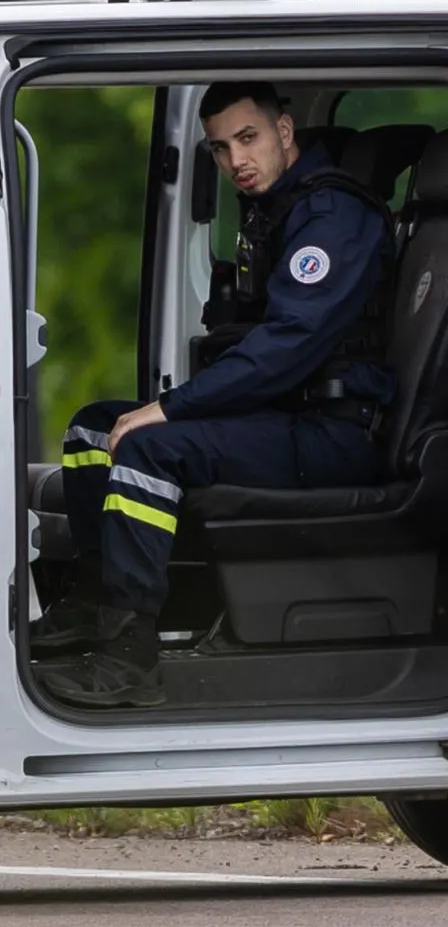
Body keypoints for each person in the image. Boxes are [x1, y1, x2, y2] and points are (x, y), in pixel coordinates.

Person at [30, 80, 398, 708]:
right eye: (221, 149)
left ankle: (127, 660)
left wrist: (172, 407)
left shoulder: (333, 216)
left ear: (285, 132)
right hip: (285, 419)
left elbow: (288, 346)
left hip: (334, 433)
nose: (236, 162)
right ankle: (92, 607)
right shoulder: (279, 209)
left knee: (149, 449)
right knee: (94, 428)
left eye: (247, 139)